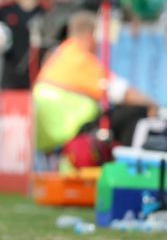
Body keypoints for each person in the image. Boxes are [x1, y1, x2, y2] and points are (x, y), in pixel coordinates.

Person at [34, 11, 157, 151]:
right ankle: (127, 159)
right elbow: (122, 92)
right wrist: (153, 105)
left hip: (45, 132)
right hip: (68, 131)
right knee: (136, 110)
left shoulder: (60, 53)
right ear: (90, 35)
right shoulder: (81, 59)